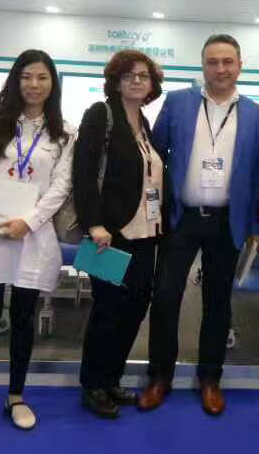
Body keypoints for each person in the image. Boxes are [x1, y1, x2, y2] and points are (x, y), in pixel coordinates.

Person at [138, 34, 259, 415]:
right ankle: (159, 377)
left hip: (228, 221)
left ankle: (210, 378)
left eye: (228, 61)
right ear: (203, 66)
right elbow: (156, 154)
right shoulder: (178, 102)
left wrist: (256, 227)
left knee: (218, 302)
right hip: (181, 218)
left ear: (240, 66)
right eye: (213, 62)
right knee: (165, 297)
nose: (220, 69)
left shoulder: (257, 115)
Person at [0, 49, 74, 434]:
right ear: (15, 80)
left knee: (24, 318)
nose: (34, 85)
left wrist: (29, 221)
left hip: (32, 235)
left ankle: (16, 396)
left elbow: (60, 186)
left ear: (53, 83)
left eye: (42, 77)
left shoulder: (64, 132)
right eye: (26, 77)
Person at [73, 49, 166, 419]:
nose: (137, 81)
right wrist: (93, 224)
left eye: (144, 76)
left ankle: (111, 378)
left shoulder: (144, 121)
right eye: (129, 76)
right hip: (109, 234)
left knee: (135, 308)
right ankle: (93, 385)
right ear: (116, 81)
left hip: (146, 233)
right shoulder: (101, 114)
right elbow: (83, 173)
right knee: (107, 310)